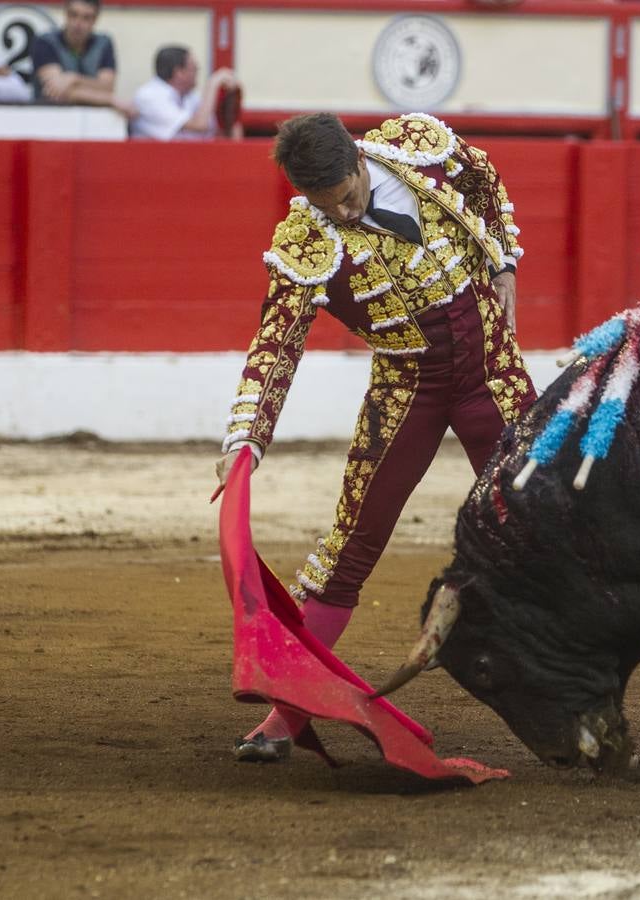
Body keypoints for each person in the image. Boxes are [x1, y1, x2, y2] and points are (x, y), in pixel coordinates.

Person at [216, 112, 535, 761]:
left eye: (352, 199)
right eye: (330, 208)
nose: (347, 214)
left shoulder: (416, 148)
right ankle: (288, 713)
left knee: (549, 521)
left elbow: (483, 177)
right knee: (350, 547)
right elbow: (276, 346)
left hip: (491, 371)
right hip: (406, 389)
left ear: (360, 163)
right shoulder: (306, 241)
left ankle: (584, 685)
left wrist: (502, 261)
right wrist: (244, 440)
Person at [30, 0, 132, 117]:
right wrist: (109, 99)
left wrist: (74, 79)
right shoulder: (45, 42)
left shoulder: (104, 43)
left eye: (86, 18)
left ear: (95, 20)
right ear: (66, 14)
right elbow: (56, 91)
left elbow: (107, 87)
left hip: (93, 119)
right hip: (48, 117)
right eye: (74, 15)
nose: (78, 24)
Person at [130, 45, 242, 140]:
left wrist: (230, 98)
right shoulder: (150, 96)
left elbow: (216, 132)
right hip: (156, 160)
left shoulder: (189, 95)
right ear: (179, 72)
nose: (197, 74)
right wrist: (212, 84)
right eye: (194, 69)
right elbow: (199, 125)